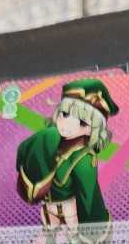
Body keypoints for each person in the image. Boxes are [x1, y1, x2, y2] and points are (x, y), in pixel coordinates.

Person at [14, 76, 116, 228]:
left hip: (70, 211)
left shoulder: (83, 158)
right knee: (48, 237)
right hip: (48, 209)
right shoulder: (48, 140)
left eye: (82, 122)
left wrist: (94, 227)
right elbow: (25, 159)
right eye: (65, 114)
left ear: (92, 130)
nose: (67, 124)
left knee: (72, 238)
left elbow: (89, 197)